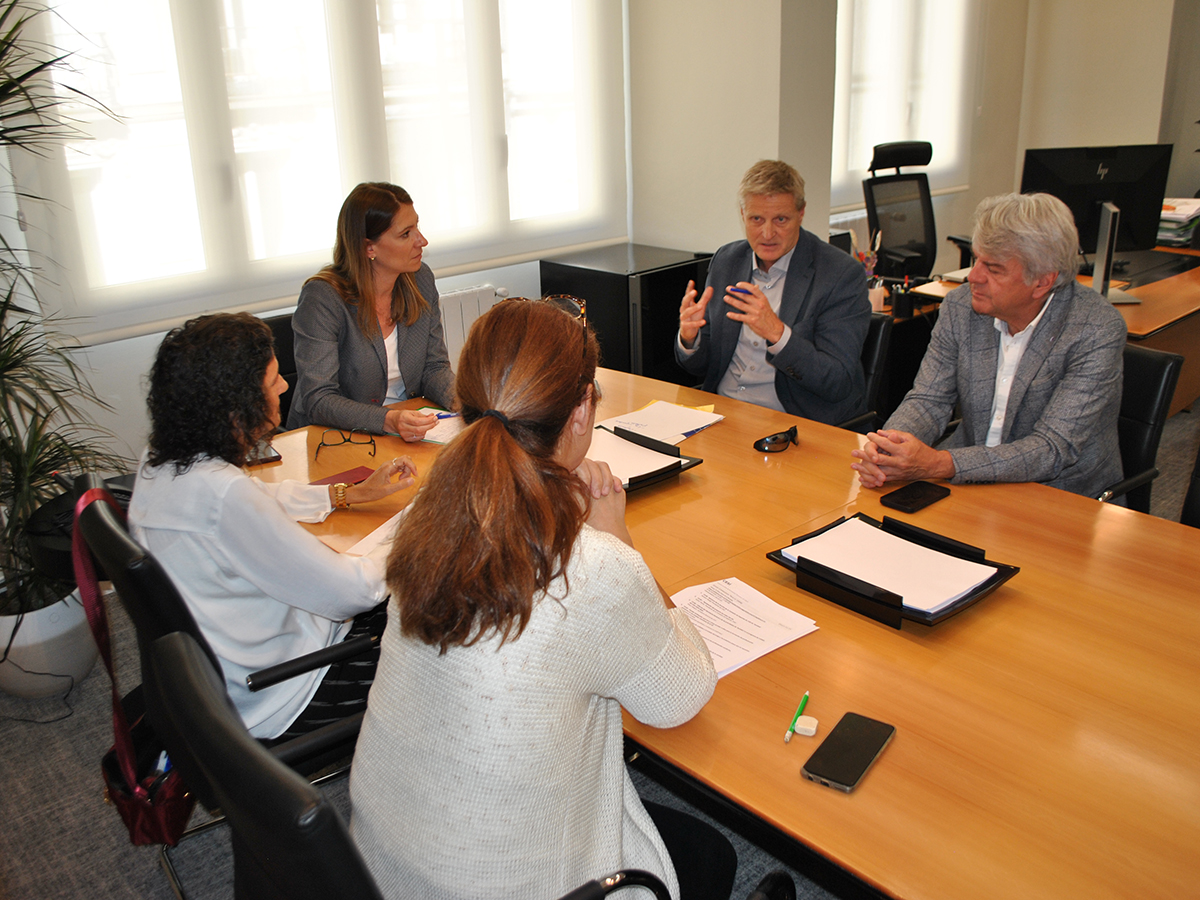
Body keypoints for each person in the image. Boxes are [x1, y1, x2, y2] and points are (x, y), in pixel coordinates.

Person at [349, 300, 736, 900]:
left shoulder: (427, 516)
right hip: (504, 884)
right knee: (710, 854)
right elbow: (680, 696)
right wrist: (620, 541)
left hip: (382, 864)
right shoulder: (594, 566)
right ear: (581, 410)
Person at [129, 313, 417, 740]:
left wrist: (348, 494)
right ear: (234, 406)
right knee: (440, 637)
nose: (284, 385)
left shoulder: (165, 462)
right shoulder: (222, 495)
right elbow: (353, 593)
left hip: (229, 670)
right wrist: (414, 526)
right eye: (271, 381)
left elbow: (264, 500)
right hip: (286, 688)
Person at [851, 192, 1126, 497]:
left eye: (993, 269)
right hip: (969, 482)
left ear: (1043, 282)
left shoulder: (1095, 329)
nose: (974, 276)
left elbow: (1052, 448)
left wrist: (942, 464)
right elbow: (929, 399)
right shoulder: (960, 306)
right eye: (976, 259)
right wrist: (888, 448)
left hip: (1062, 495)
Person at [675, 159, 870, 425]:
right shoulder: (727, 260)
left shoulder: (840, 275)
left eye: (781, 219)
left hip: (793, 422)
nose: (767, 233)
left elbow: (837, 381)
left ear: (800, 214)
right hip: (723, 415)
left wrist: (778, 334)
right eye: (757, 219)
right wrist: (690, 338)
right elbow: (701, 367)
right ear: (743, 215)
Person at [287, 182, 455, 440]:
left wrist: (466, 401)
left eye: (417, 227)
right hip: (335, 437)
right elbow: (319, 399)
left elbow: (434, 367)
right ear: (369, 247)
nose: (422, 241)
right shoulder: (323, 299)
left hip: (406, 428)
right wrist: (388, 420)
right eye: (405, 234)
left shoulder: (420, 280)